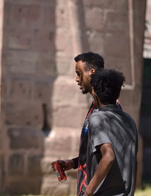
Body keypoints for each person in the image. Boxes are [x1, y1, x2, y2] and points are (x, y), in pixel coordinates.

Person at [51, 52, 121, 195]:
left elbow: (110, 155)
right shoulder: (95, 107)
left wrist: (89, 192)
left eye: (79, 73)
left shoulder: (110, 108)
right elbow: (99, 151)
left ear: (91, 73)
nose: (77, 79)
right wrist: (74, 163)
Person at [85, 69, 138, 196]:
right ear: (117, 95)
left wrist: (88, 192)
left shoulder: (96, 118)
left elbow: (109, 156)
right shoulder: (129, 120)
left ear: (95, 94)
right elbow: (132, 160)